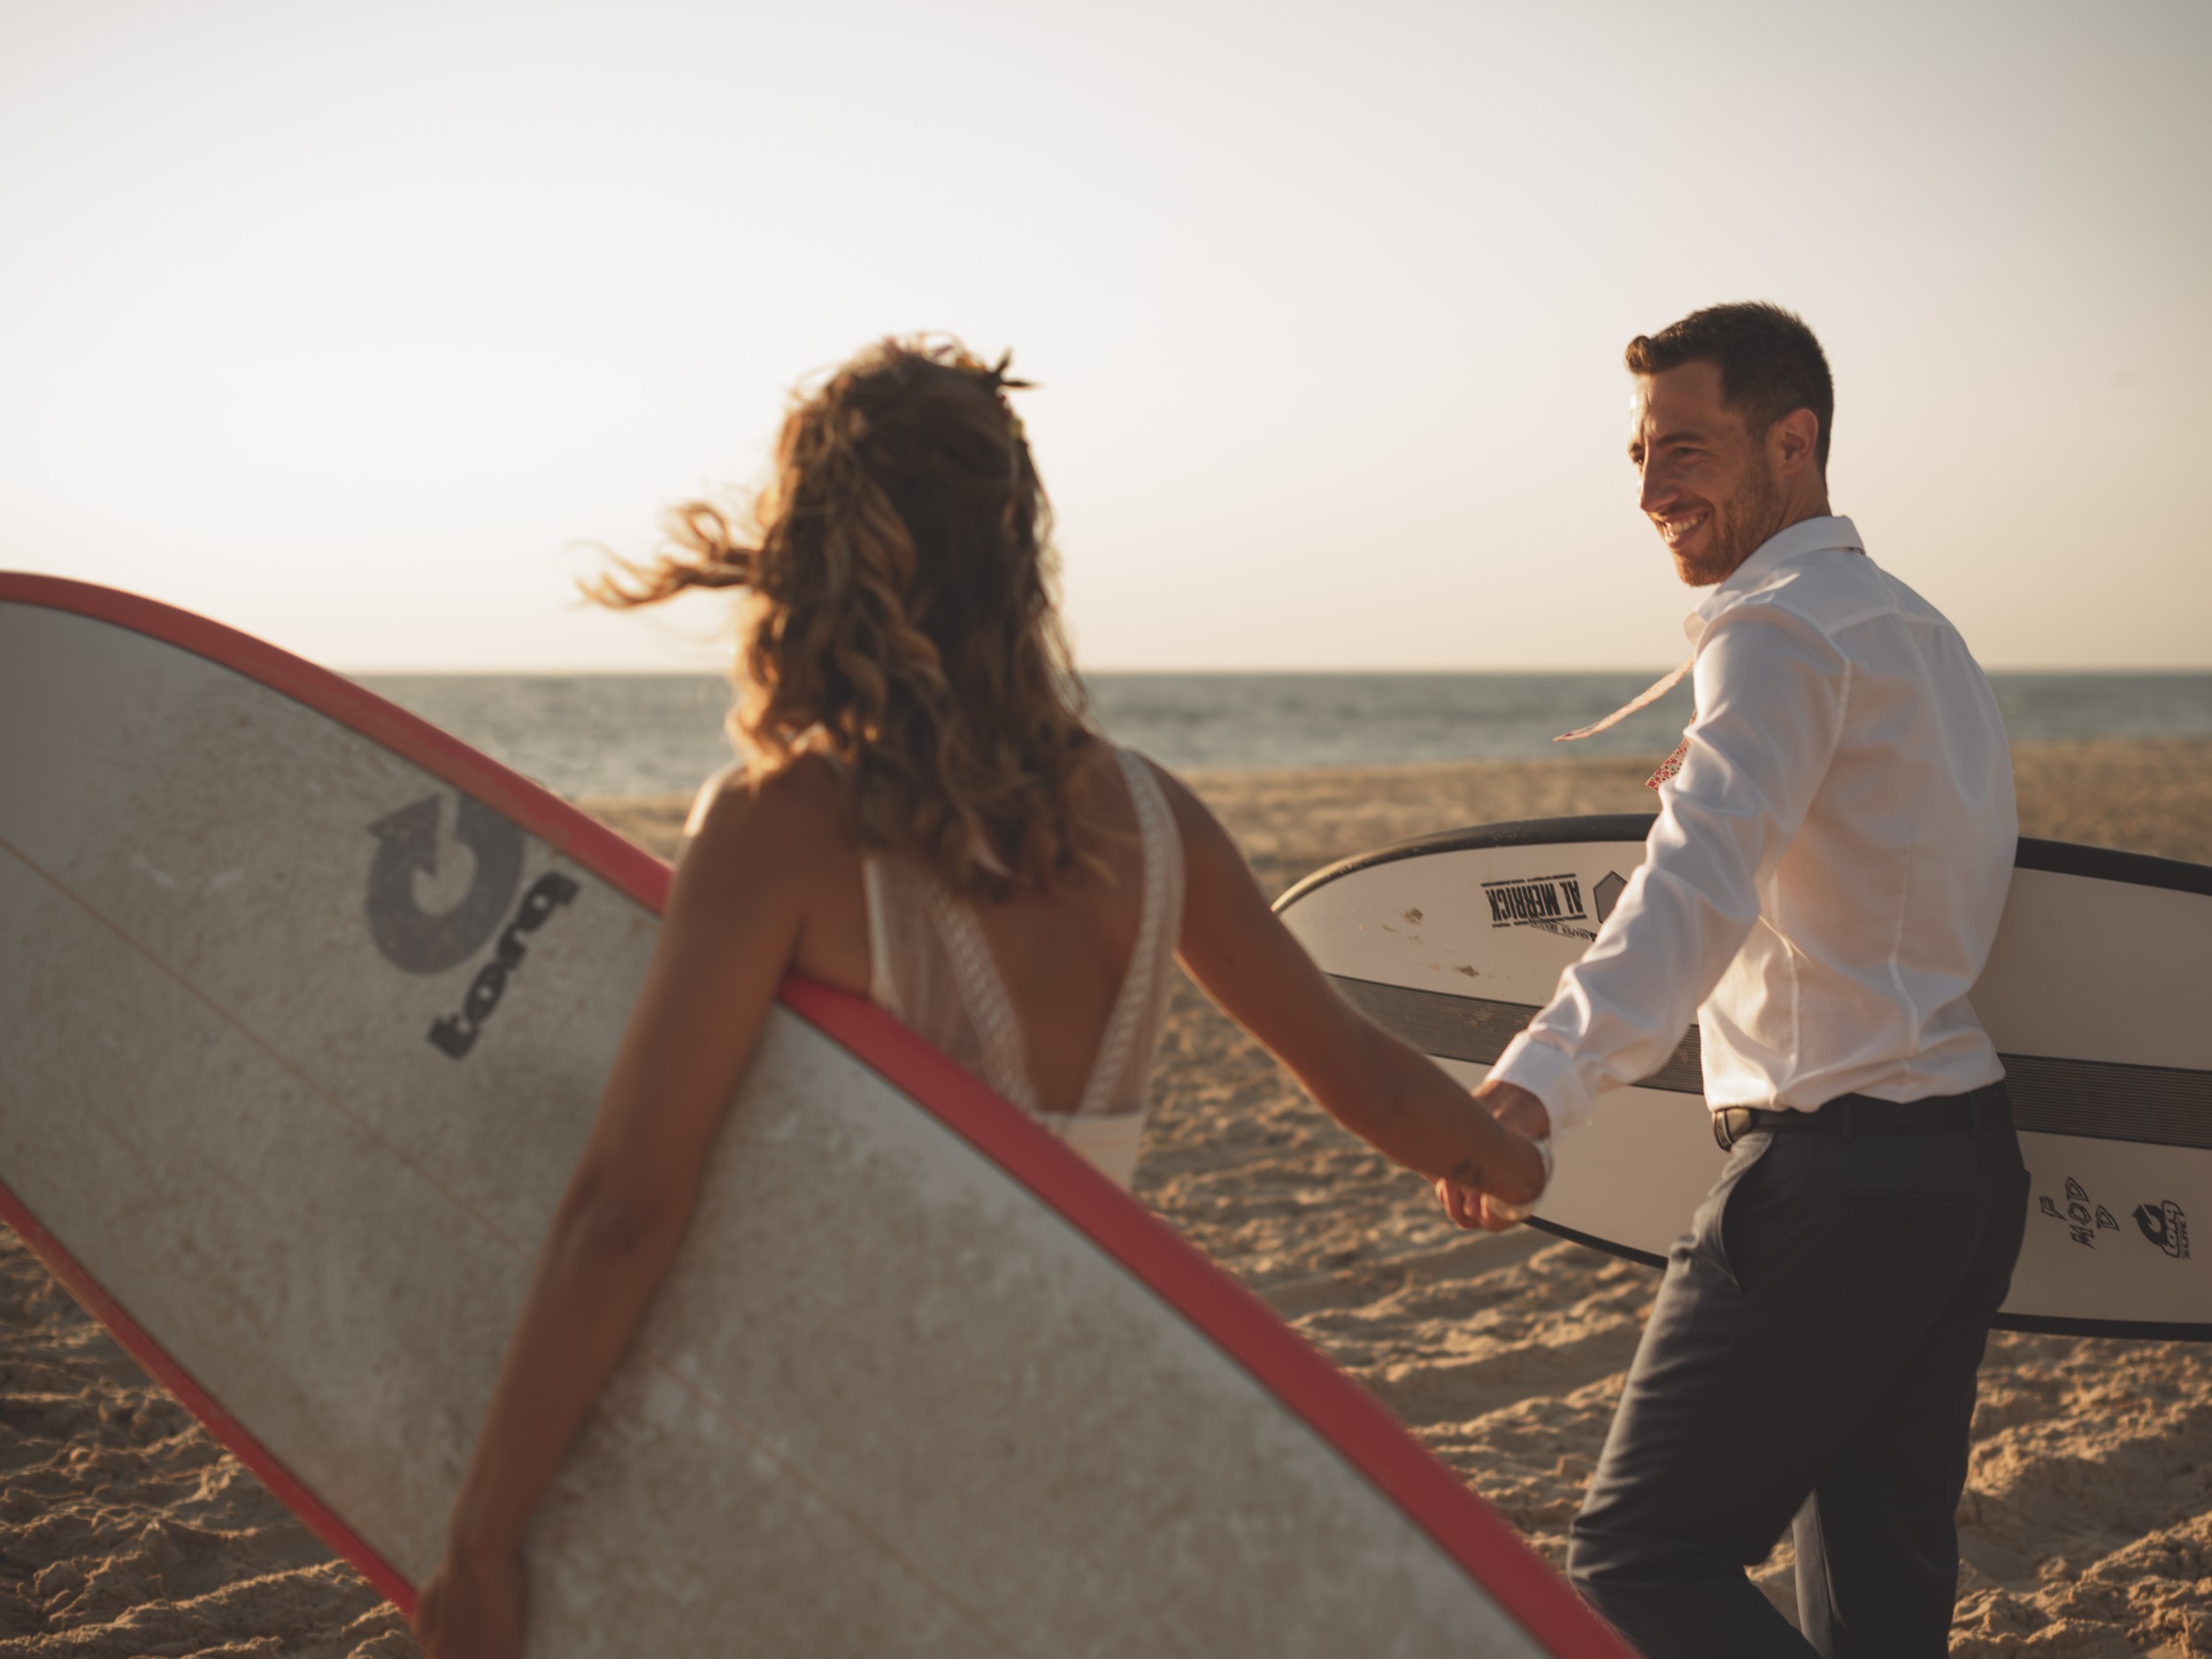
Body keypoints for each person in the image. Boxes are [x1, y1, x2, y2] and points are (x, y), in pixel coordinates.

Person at [409, 335, 1548, 1659]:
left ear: (815, 555)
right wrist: (1514, 1160)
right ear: (1021, 549)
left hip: (844, 1483)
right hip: (1067, 1479)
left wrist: (482, 1542)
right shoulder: (1147, 817)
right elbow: (1365, 1077)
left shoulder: (782, 827)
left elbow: (624, 1210)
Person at [1438, 302, 2027, 1655]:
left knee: (1641, 1556)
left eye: (1687, 449)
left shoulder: (1776, 632)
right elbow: (1903, 858)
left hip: (1836, 1174)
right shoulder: (1915, 630)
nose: (1652, 492)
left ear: (1795, 441)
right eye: (1641, 454)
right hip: (1960, 1162)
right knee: (1880, 1594)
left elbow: (1688, 891)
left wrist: (1534, 1089)